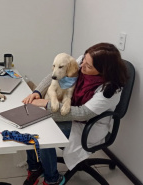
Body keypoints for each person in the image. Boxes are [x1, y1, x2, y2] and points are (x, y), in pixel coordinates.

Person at [22, 43, 128, 185]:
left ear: (103, 71)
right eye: (84, 59)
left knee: (42, 131)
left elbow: (82, 113)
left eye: (89, 66)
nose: (82, 65)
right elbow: (54, 76)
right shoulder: (83, 62)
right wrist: (37, 92)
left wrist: (46, 106)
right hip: (71, 112)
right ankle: (35, 168)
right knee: (33, 124)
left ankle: (52, 180)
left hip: (88, 125)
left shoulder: (110, 90)